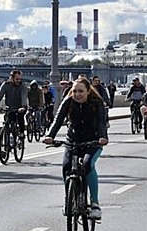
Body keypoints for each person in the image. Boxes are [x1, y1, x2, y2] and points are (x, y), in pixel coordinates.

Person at [43, 77, 108, 220]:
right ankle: (69, 200)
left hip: (92, 141)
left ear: (88, 91)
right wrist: (50, 136)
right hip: (73, 140)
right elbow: (58, 119)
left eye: (81, 91)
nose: (77, 94)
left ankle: (95, 203)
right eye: (75, 91)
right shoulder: (69, 101)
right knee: (66, 167)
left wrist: (102, 137)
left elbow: (102, 122)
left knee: (87, 164)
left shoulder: (97, 103)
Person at [0, 70, 28, 138]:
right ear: (12, 78)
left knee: (20, 117)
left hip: (20, 107)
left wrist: (23, 106)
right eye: (17, 79)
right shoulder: (5, 85)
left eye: (20, 79)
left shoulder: (23, 86)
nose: (18, 81)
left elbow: (24, 97)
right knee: (8, 120)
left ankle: (21, 132)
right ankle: (7, 137)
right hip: (10, 107)